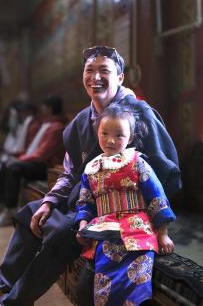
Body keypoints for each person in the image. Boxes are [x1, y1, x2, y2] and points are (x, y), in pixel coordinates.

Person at [0, 46, 181, 306]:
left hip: (121, 210)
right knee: (31, 213)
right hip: (83, 198)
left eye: (104, 71)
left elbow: (164, 175)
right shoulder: (80, 121)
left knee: (63, 232)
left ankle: (12, 302)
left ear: (120, 77)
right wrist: (50, 201)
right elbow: (70, 172)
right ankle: (0, 289)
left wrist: (151, 220)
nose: (95, 77)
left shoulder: (139, 115)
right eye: (89, 70)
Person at [75, 104, 176, 306]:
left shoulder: (138, 162)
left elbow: (156, 196)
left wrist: (163, 233)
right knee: (94, 280)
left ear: (130, 138)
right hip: (104, 228)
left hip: (138, 229)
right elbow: (85, 201)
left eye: (119, 135)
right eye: (105, 133)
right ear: (98, 133)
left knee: (136, 280)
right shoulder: (91, 168)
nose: (111, 140)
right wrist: (82, 225)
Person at [0, 94, 66, 226]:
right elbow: (34, 149)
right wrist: (19, 158)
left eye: (44, 107)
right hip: (39, 163)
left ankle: (10, 211)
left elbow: (42, 154)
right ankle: (2, 205)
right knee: (7, 166)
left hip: (48, 168)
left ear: (49, 108)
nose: (41, 110)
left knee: (14, 168)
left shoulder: (56, 127)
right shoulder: (47, 124)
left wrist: (19, 159)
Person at [0, 101, 40, 214]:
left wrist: (17, 157)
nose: (19, 116)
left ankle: (8, 208)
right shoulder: (21, 126)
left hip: (33, 161)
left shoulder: (34, 125)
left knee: (9, 168)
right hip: (22, 157)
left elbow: (30, 150)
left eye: (21, 113)